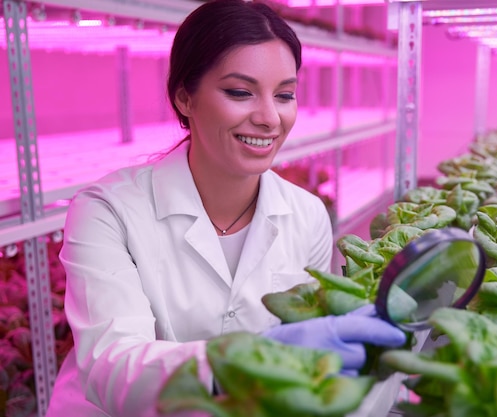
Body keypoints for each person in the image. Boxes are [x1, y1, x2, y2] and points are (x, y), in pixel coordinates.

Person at [45, 1, 406, 416]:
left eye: (285, 95)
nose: (270, 118)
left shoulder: (306, 215)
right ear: (184, 98)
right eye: (240, 92)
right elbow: (114, 369)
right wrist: (241, 361)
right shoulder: (108, 211)